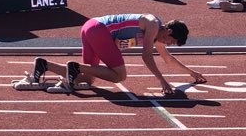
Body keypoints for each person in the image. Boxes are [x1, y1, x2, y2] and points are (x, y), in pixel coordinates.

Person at [14, 14, 207, 94]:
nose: (168, 44)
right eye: (171, 42)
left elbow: (167, 59)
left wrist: (191, 74)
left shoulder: (157, 35)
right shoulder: (153, 24)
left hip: (91, 28)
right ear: (170, 32)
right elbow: (146, 56)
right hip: (99, 30)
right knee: (120, 76)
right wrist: (163, 81)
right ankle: (75, 67)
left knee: (88, 80)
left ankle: (43, 65)